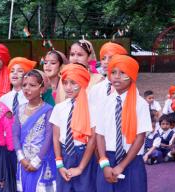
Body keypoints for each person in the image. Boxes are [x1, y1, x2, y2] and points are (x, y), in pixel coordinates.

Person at [95, 55, 151, 192]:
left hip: (132, 160)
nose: (117, 77)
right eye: (113, 72)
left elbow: (140, 137)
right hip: (108, 159)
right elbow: (99, 135)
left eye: (122, 72)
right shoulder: (104, 102)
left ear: (132, 76)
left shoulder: (140, 104)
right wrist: (104, 164)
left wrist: (121, 166)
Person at [51, 64, 97, 192]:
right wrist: (59, 164)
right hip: (64, 155)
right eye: (65, 83)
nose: (68, 87)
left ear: (82, 83)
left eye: (73, 83)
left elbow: (92, 139)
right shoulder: (59, 108)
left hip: (84, 155)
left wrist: (81, 168)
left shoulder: (92, 108)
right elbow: (56, 137)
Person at [13, 69, 56, 191]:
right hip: (23, 162)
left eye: (32, 85)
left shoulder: (48, 110)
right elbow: (15, 135)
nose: (27, 88)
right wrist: (21, 158)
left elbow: (49, 137)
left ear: (42, 89)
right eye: (24, 85)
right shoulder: (19, 109)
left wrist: (37, 161)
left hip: (41, 162)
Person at [88, 42, 128, 122]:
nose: (106, 62)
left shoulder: (129, 89)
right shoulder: (96, 89)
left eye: (111, 58)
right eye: (103, 58)